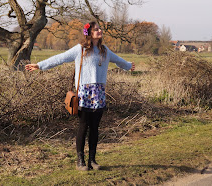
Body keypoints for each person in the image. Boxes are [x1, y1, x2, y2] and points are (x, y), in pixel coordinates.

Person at [25, 21, 135, 171]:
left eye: (99, 29)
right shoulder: (80, 49)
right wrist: (40, 65)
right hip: (84, 94)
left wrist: (128, 65)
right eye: (96, 29)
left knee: (95, 128)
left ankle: (93, 160)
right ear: (89, 33)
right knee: (83, 127)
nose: (100, 31)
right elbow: (60, 58)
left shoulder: (105, 50)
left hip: (99, 94)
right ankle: (80, 161)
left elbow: (119, 60)